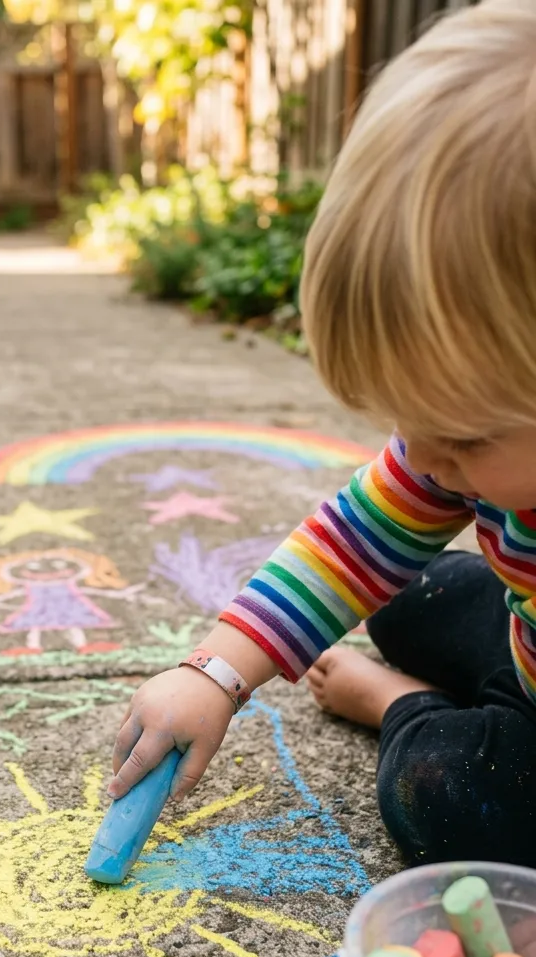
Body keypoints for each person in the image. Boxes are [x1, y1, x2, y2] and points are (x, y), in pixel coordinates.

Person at [108, 0, 536, 868]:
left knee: (452, 800)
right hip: (521, 633)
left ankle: (401, 706)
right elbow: (355, 539)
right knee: (403, 592)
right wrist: (216, 673)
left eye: (460, 432)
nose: (427, 454)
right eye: (410, 418)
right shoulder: (460, 443)